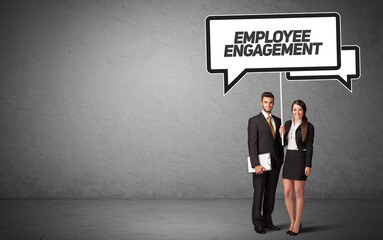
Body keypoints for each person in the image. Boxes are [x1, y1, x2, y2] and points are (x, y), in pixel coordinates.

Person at [247, 92, 284, 234]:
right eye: (266, 102)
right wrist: (255, 164)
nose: (269, 105)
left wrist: (282, 135)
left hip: (274, 164)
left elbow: (282, 143)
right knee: (259, 193)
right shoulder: (254, 120)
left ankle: (268, 221)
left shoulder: (278, 120)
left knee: (270, 193)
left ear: (273, 103)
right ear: (261, 103)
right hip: (260, 165)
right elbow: (252, 144)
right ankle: (257, 222)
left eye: (271, 102)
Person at [279, 100, 314, 236]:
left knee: (299, 194)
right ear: (291, 110)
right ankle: (293, 221)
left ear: (304, 111)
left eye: (300, 110)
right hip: (289, 158)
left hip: (301, 159)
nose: (297, 112)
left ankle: (298, 222)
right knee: (287, 192)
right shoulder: (287, 123)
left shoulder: (309, 126)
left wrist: (308, 164)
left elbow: (310, 146)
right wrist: (281, 134)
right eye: (295, 110)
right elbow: (283, 144)